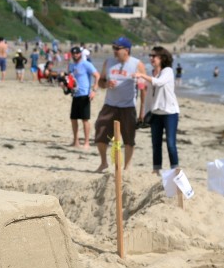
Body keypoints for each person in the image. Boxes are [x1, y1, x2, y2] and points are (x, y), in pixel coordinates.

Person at [93, 37, 143, 172]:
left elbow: (143, 86)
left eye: (117, 48)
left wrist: (142, 110)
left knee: (128, 137)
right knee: (100, 131)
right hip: (110, 104)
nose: (114, 51)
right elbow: (101, 82)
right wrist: (106, 84)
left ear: (126, 50)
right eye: (113, 48)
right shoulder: (108, 62)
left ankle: (127, 166)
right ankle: (104, 162)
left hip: (128, 106)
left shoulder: (136, 64)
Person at [135, 46, 179, 173]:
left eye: (154, 56)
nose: (151, 58)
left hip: (170, 113)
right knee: (156, 144)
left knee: (170, 144)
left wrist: (142, 75)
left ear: (162, 58)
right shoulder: (152, 74)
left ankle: (175, 170)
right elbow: (149, 95)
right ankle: (156, 170)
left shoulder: (168, 71)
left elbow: (158, 83)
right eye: (150, 56)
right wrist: (145, 111)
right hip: (155, 113)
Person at [67, 46, 100, 149]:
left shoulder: (86, 64)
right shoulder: (71, 66)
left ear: (80, 54)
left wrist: (94, 90)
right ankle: (75, 141)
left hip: (85, 95)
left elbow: (97, 75)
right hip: (75, 94)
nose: (75, 55)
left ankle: (86, 142)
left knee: (85, 119)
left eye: (77, 53)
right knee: (73, 119)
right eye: (73, 53)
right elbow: (69, 79)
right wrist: (65, 85)